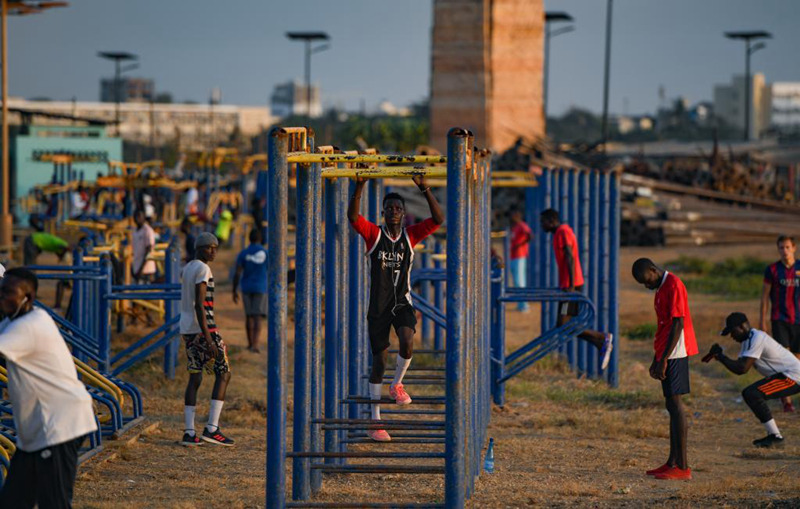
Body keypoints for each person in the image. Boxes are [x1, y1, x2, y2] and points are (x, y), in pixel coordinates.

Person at [348, 175, 444, 442]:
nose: (393, 212)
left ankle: (397, 383)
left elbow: (438, 220)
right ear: (382, 212)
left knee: (408, 341)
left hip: (402, 301)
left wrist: (424, 187)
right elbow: (353, 218)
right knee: (379, 361)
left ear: (404, 214)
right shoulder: (374, 235)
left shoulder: (410, 237)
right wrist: (359, 185)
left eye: (398, 209)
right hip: (378, 305)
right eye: (389, 208)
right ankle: (375, 420)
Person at [0, 268, 97, 507]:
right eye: (1, 291)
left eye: (9, 292)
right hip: (36, 433)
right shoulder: (13, 321)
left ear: (28, 297)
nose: (2, 297)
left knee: (53, 502)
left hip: (58, 425)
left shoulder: (29, 326)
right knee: (13, 501)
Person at [632, 258, 698, 480]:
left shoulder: (674, 284)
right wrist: (656, 358)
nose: (646, 285)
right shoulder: (661, 288)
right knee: (670, 404)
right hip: (667, 352)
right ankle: (672, 462)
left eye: (646, 280)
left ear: (653, 269)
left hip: (677, 352)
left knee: (676, 405)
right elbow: (664, 326)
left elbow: (678, 324)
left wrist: (664, 359)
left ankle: (683, 467)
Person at [706, 312, 800, 448]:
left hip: (792, 376)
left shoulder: (757, 338)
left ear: (742, 327)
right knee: (751, 394)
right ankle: (774, 436)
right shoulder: (748, 341)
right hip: (787, 376)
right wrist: (721, 357)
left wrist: (721, 357)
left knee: (752, 394)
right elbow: (739, 367)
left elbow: (742, 369)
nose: (732, 337)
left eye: (732, 332)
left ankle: (775, 437)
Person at [540, 209, 613, 369]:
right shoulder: (559, 232)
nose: (541, 225)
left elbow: (570, 257)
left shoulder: (562, 231)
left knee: (563, 324)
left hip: (571, 285)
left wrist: (571, 285)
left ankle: (602, 337)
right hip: (568, 284)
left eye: (543, 221)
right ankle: (599, 342)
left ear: (551, 220)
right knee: (564, 325)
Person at [179, 232, 234, 447]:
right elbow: (200, 305)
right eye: (209, 247)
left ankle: (189, 432)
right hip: (203, 329)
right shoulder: (203, 269)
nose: (213, 251)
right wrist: (210, 339)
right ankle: (212, 428)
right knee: (224, 373)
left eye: (215, 247)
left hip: (187, 328)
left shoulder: (187, 268)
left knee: (196, 377)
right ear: (199, 248)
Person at [760, 235, 800, 413]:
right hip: (779, 320)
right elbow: (764, 297)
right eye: (781, 248)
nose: (784, 251)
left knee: (797, 361)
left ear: (794, 248)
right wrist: (762, 321)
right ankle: (787, 401)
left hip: (798, 320)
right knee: (784, 361)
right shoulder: (773, 270)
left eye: (787, 247)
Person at [233, 228, 267, 353]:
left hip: (246, 287)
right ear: (260, 239)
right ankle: (255, 345)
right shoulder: (265, 252)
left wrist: (234, 290)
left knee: (249, 316)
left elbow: (237, 272)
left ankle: (249, 343)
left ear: (249, 239)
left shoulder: (244, 253)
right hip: (260, 287)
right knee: (257, 316)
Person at [509, 209, 532, 312]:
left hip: (520, 255)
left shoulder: (522, 225)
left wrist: (521, 245)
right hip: (513, 256)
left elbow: (530, 235)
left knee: (520, 281)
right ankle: (520, 304)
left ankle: (524, 305)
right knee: (516, 281)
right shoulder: (514, 227)